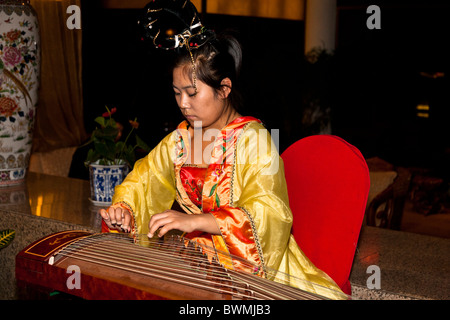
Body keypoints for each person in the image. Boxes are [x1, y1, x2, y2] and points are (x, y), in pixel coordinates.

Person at [99, 0, 346, 299]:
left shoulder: (256, 140)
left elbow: (270, 213)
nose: (183, 104)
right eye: (176, 93)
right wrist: (125, 211)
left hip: (259, 274)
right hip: (202, 267)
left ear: (224, 88)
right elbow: (143, 182)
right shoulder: (180, 142)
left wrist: (196, 221)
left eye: (192, 93)